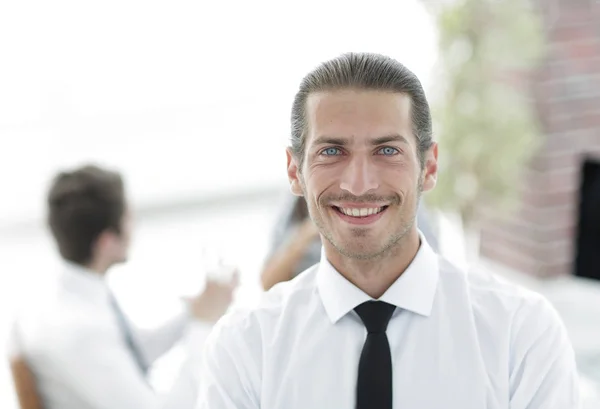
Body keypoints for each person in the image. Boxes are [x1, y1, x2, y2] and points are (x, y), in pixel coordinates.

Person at [197, 53, 580, 409]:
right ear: (295, 171)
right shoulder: (245, 349)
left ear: (428, 168)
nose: (359, 184)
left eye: (386, 151)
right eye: (331, 151)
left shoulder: (520, 334)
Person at [8, 165, 238, 409]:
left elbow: (131, 352)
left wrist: (193, 315)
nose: (133, 225)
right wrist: (202, 325)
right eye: (128, 218)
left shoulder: (74, 300)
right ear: (107, 242)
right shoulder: (81, 330)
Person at [260, 194, 439, 291]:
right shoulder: (294, 206)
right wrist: (305, 235)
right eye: (332, 151)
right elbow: (268, 282)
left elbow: (431, 262)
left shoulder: (404, 198)